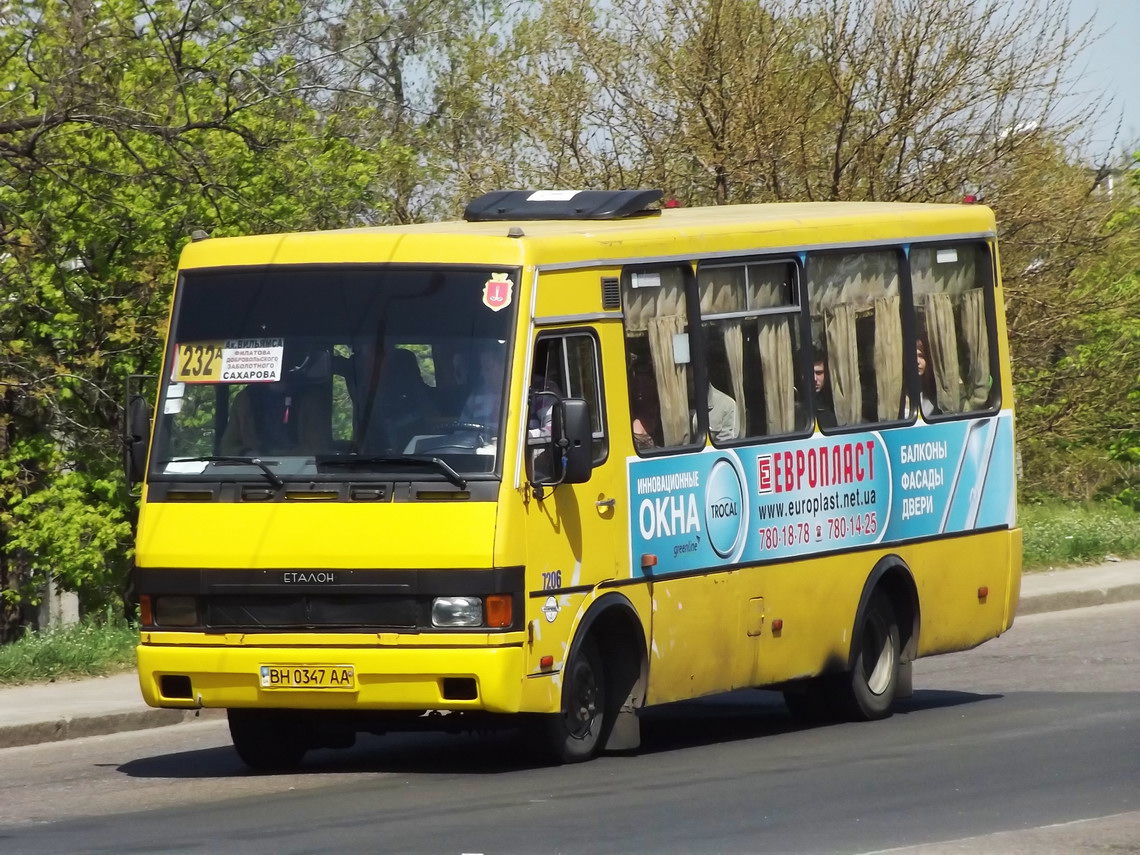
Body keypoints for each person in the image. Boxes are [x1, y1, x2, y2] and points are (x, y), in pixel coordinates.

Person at [459, 342, 506, 429]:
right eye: (482, 367)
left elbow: (539, 433)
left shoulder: (528, 391)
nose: (482, 373)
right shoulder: (476, 395)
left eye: (488, 368)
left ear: (505, 366)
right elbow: (462, 430)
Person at [812, 347, 838, 429]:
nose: (814, 379)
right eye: (809, 373)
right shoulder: (794, 407)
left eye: (819, 373)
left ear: (826, 375)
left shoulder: (834, 403)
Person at [916, 337, 941, 418]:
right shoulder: (899, 397)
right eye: (912, 356)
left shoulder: (936, 393)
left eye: (921, 356)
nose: (917, 361)